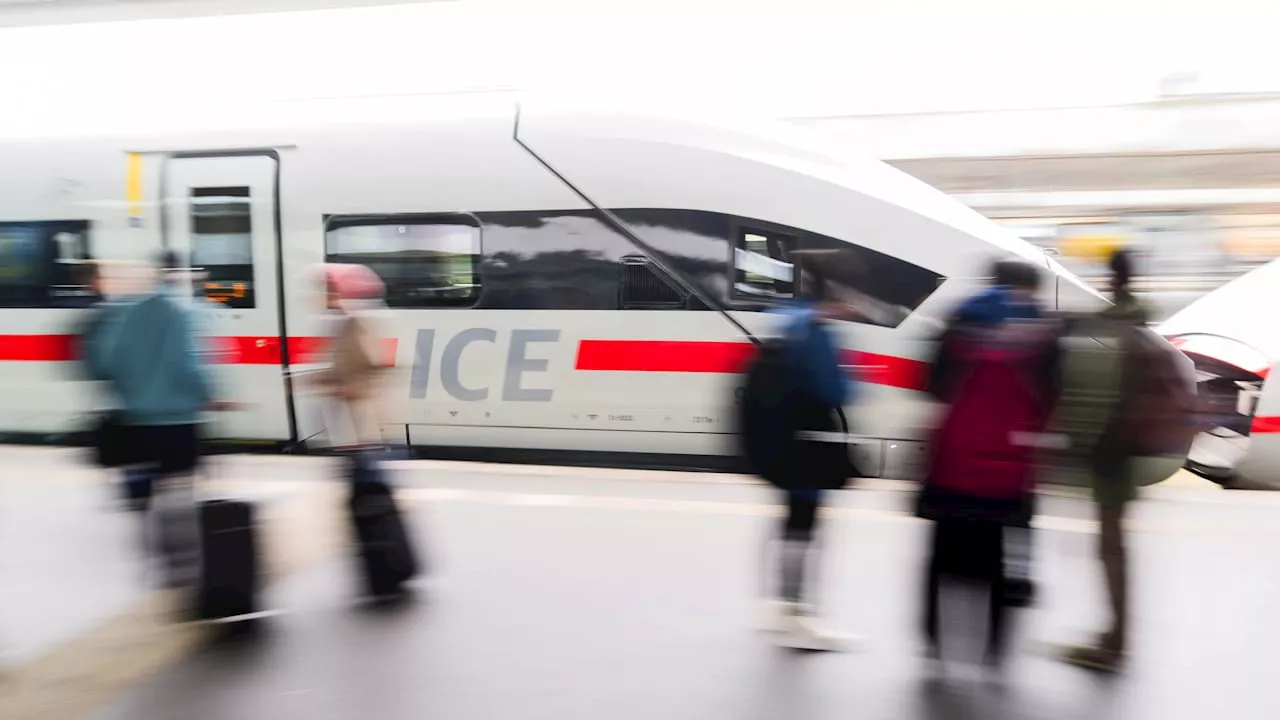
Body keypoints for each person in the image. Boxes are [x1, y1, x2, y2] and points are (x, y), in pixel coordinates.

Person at [918, 258, 1061, 670]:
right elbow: (1052, 399)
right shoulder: (1045, 330)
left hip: (953, 458)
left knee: (942, 552)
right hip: (1011, 465)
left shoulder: (959, 318)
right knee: (998, 554)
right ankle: (993, 650)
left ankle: (934, 642)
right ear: (1029, 287)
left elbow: (933, 387)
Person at [759, 258, 860, 651]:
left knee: (789, 520)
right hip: (810, 440)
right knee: (805, 523)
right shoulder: (816, 331)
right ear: (832, 296)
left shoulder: (782, 320)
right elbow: (835, 391)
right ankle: (798, 614)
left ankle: (781, 607)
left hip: (779, 437)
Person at [1061, 248, 1150, 672]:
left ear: (1111, 276)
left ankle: (1115, 643)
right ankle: (1115, 634)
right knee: (1111, 545)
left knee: (1112, 547)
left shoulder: (1122, 322)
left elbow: (1110, 389)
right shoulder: (1133, 318)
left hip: (1113, 447)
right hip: (1124, 445)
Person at [85, 250, 222, 512]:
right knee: (179, 494)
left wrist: (127, 394)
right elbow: (190, 364)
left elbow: (106, 360)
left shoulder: (126, 310)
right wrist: (209, 394)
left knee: (142, 490)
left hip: (135, 418)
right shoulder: (185, 312)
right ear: (184, 275)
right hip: (178, 420)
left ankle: (148, 536)